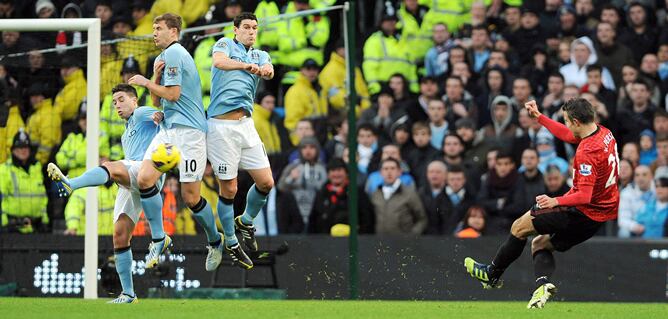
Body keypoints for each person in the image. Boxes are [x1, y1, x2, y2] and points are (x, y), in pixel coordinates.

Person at [465, 98, 620, 309]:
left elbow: (584, 195)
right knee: (540, 243)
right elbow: (568, 135)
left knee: (519, 227)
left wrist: (555, 200)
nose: (566, 125)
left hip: (581, 211)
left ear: (576, 121)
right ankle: (542, 285)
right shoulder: (603, 132)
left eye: (566, 120)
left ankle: (491, 274)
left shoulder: (586, 152)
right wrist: (539, 118)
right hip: (599, 215)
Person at [128, 13, 232, 271]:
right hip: (168, 130)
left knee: (190, 197)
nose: (154, 32)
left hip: (191, 133)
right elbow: (158, 101)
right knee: (144, 178)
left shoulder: (175, 52)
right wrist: (153, 78)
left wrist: (142, 82)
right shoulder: (162, 58)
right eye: (153, 28)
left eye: (159, 28)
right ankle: (159, 238)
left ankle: (214, 240)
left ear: (174, 31)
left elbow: (173, 95)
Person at [47, 84, 161, 303]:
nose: (117, 105)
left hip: (149, 171)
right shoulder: (126, 132)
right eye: (114, 102)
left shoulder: (141, 112)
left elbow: (162, 115)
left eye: (121, 99)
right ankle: (128, 293)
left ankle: (72, 183)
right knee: (119, 235)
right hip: (133, 181)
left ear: (134, 100)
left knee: (110, 166)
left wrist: (159, 116)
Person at [206, 12, 275, 269]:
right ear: (235, 30)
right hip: (221, 127)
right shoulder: (224, 44)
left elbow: (269, 70)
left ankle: (245, 221)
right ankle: (232, 242)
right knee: (230, 190)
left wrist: (266, 71)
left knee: (266, 182)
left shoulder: (260, 54)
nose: (251, 32)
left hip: (246, 125)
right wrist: (244, 66)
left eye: (255, 28)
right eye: (246, 27)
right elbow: (220, 62)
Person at [0, 130, 48, 234]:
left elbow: (43, 197)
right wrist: (4, 224)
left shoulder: (37, 169)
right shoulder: (4, 170)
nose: (23, 150)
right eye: (19, 147)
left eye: (25, 147)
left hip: (36, 227)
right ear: (13, 150)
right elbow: (1, 198)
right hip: (11, 228)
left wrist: (45, 220)